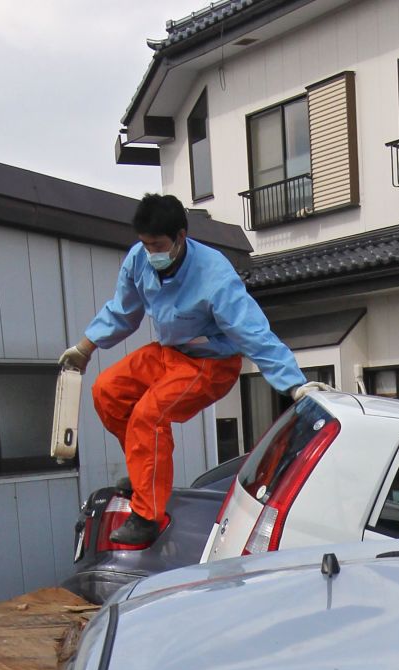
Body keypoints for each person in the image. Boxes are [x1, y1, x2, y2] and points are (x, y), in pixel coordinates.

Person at [59, 192, 310, 547]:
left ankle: (147, 516)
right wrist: (85, 348)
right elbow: (122, 311)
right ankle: (144, 476)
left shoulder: (215, 275)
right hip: (169, 354)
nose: (151, 253)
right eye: (145, 245)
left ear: (181, 236)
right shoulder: (139, 261)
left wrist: (294, 384)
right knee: (107, 392)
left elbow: (252, 331)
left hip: (212, 363)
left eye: (157, 245)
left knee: (149, 415)